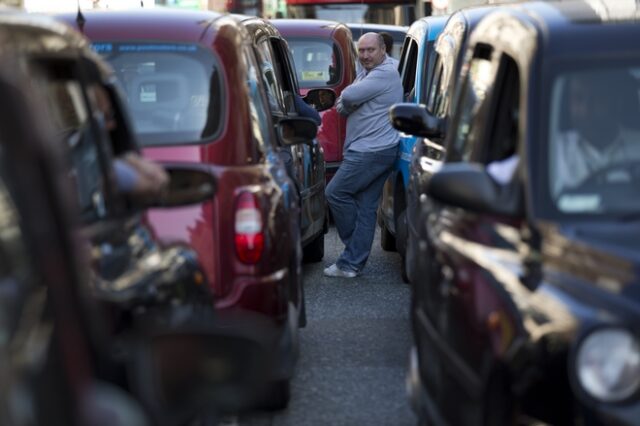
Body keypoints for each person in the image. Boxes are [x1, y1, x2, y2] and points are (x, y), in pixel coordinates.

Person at [324, 32, 403, 278]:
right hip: (376, 149)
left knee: (335, 192)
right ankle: (351, 265)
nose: (365, 55)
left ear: (383, 51)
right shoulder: (367, 72)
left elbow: (346, 97)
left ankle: (354, 248)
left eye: (371, 50)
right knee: (367, 207)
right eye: (362, 50)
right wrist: (348, 101)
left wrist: (348, 101)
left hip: (371, 151)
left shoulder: (385, 72)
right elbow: (345, 102)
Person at [551, 71, 640, 197]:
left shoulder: (638, 146)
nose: (585, 110)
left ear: (615, 102)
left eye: (597, 98)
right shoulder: (554, 152)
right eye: (578, 98)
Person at [90, 84, 169, 198]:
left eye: (111, 116)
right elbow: (156, 182)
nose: (112, 125)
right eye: (105, 117)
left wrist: (126, 157)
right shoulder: (96, 165)